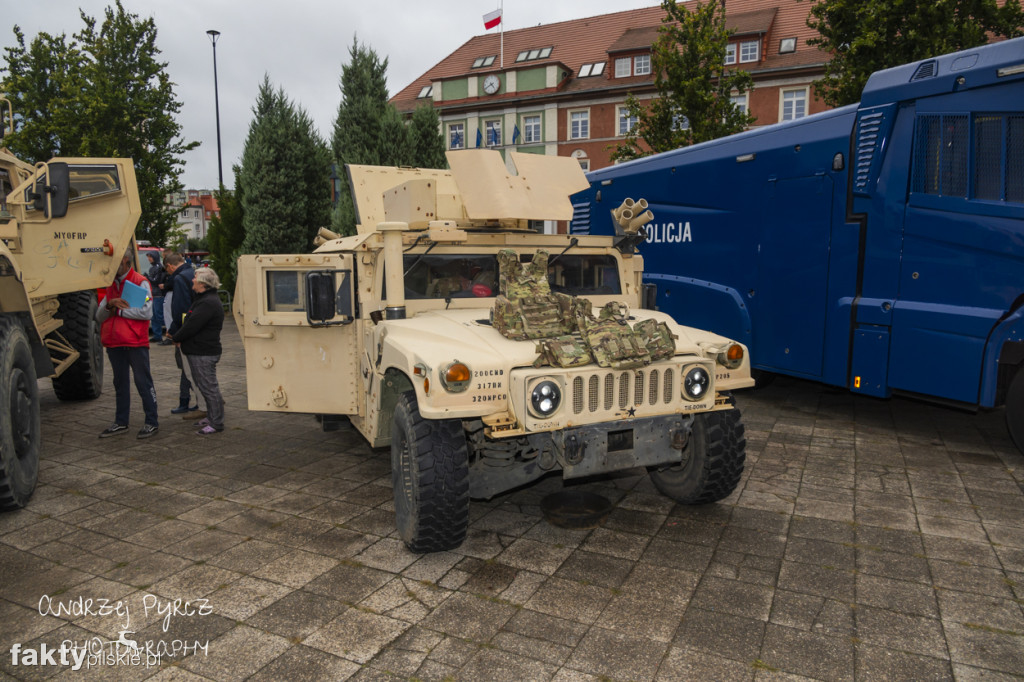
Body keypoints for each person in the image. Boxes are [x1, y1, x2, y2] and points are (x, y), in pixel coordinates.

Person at [97, 249, 159, 439]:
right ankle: (121, 421)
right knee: (120, 383)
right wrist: (109, 305)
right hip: (115, 342)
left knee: (143, 382)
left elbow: (147, 312)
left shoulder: (141, 282)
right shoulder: (109, 285)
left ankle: (151, 421)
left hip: (135, 342)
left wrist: (119, 311)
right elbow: (98, 316)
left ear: (125, 260)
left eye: (114, 261)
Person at [172, 268, 225, 434]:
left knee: (209, 388)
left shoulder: (207, 302)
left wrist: (176, 337)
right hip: (200, 351)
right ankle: (212, 416)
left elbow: (192, 325)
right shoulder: (203, 299)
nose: (192, 280)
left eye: (195, 277)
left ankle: (216, 423)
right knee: (205, 386)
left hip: (204, 352)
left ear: (202, 283)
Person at [163, 253, 200, 414]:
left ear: (170, 266)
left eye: (168, 271)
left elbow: (180, 309)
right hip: (198, 327)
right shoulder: (194, 273)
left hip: (185, 330)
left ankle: (205, 399)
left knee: (187, 367)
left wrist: (173, 331)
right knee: (191, 367)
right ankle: (188, 400)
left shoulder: (179, 279)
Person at [144, 251, 166, 342]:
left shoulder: (159, 267)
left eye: (150, 257)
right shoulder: (153, 268)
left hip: (158, 295)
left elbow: (155, 281)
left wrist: (147, 277)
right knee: (153, 316)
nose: (149, 259)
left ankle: (172, 330)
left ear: (155, 257)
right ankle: (157, 336)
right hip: (152, 294)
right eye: (148, 257)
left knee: (159, 316)